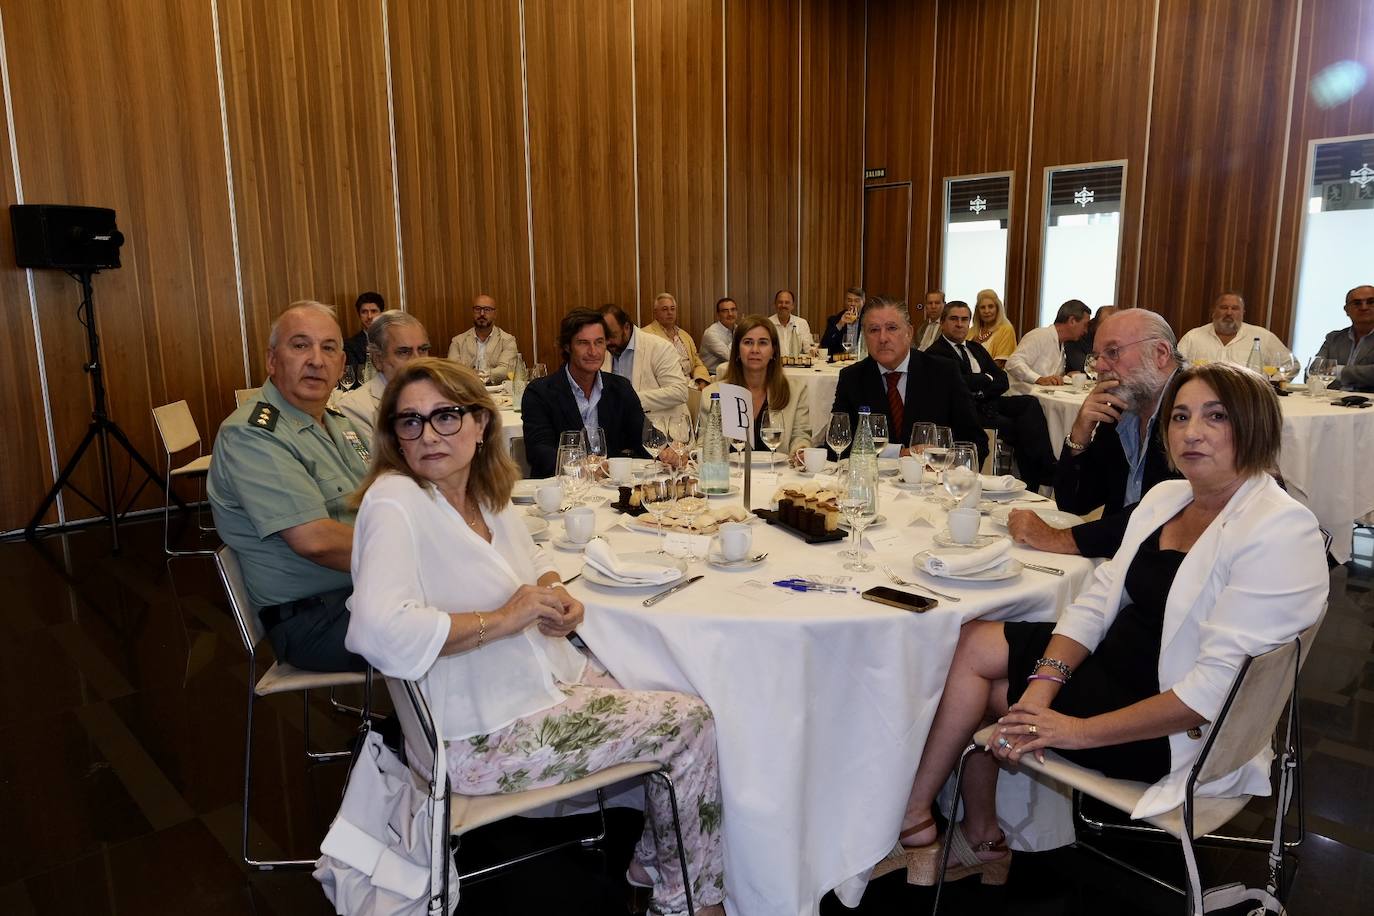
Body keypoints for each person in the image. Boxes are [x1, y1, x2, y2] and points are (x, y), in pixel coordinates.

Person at [876, 362, 1328, 886]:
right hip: (1118, 667)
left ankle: (946, 829)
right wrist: (1045, 689)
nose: (1191, 432)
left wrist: (1075, 731)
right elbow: (1096, 603)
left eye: (1216, 416)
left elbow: (1212, 694)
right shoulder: (1169, 498)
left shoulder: (1279, 527)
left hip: (1172, 723)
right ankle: (960, 830)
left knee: (985, 690)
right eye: (1179, 416)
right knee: (975, 640)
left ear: (1256, 427)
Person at [345, 358, 727, 916]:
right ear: (394, 436)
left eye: (445, 417)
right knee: (691, 724)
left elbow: (533, 557)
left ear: (480, 424)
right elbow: (378, 629)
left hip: (530, 684)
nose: (428, 435)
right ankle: (688, 900)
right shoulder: (394, 502)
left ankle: (659, 860)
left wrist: (552, 592)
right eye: (411, 422)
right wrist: (505, 618)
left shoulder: (479, 491)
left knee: (670, 678)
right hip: (477, 734)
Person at [208, 302, 368, 673]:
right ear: (271, 360)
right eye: (300, 346)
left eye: (329, 348)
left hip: (367, 595)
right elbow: (316, 541)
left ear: (342, 365)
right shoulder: (252, 434)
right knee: (475, 626)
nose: (316, 360)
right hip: (317, 617)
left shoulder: (339, 424)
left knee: (492, 597)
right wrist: (417, 551)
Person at [1010, 308, 1183, 558]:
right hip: (1117, 567)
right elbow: (1075, 503)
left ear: (1160, 353)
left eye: (1113, 352)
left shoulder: (1194, 413)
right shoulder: (1124, 405)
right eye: (1097, 355)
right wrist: (1080, 433)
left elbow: (1162, 515)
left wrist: (1058, 538)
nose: (1100, 366)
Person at [830, 296, 987, 464]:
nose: (883, 338)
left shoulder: (943, 373)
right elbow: (839, 443)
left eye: (891, 328)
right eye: (874, 330)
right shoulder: (852, 377)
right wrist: (899, 453)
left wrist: (943, 460)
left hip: (930, 482)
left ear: (909, 333)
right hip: (876, 484)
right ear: (865, 336)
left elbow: (976, 443)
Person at [926, 302, 1056, 490]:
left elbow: (1002, 380)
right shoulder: (936, 353)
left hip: (988, 402)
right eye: (954, 319)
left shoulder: (975, 348)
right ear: (943, 323)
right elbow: (959, 386)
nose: (960, 324)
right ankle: (1037, 479)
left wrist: (980, 385)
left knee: (1029, 403)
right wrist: (984, 379)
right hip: (967, 410)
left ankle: (1045, 467)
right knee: (1020, 428)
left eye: (964, 319)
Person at [522, 309, 654, 478]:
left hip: (610, 490)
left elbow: (642, 435)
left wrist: (666, 450)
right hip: (563, 492)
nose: (593, 352)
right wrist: (581, 469)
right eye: (583, 343)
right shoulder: (540, 393)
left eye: (599, 342)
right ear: (567, 346)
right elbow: (539, 451)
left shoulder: (620, 388)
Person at [700, 316, 812, 462]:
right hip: (731, 478)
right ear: (737, 350)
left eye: (763, 343)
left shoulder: (795, 390)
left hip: (778, 477)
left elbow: (801, 436)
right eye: (748, 342)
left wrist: (800, 451)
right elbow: (703, 444)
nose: (755, 350)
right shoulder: (713, 394)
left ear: (774, 351)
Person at [336, 310, 432, 447]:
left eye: (423, 350)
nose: (417, 361)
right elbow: (374, 466)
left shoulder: (441, 395)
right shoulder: (355, 408)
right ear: (378, 359)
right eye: (404, 352)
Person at [600, 304, 692, 428]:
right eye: (602, 338)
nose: (607, 342)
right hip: (617, 430)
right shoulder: (602, 349)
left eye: (612, 336)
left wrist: (629, 399)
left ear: (626, 327)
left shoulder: (659, 347)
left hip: (660, 431)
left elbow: (680, 392)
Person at [1177, 292, 1292, 367]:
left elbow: (1289, 365)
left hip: (1249, 399)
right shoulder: (1193, 337)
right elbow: (1175, 368)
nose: (1229, 313)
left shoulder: (1263, 337)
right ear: (1213, 311)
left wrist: (1271, 385)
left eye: (1235, 308)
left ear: (1243, 313)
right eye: (1224, 307)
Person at [1004, 299, 1091, 392]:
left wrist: (1065, 377)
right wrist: (1039, 379)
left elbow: (1049, 376)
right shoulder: (1040, 335)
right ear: (1072, 321)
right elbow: (1012, 363)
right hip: (1021, 399)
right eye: (1085, 325)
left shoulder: (1061, 343)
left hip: (1041, 398)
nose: (1086, 331)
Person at [1313, 283, 1374, 392]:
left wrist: (1336, 371)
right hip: (1332, 402)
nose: (1364, 307)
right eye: (1357, 303)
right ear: (1346, 310)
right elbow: (1313, 371)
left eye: (1371, 302)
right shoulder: (1333, 338)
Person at [642, 292, 711, 388]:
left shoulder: (684, 335)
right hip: (665, 388)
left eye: (672, 309)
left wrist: (702, 380)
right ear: (655, 313)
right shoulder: (646, 335)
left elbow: (697, 363)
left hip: (691, 385)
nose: (670, 312)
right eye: (665, 309)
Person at [447, 294, 521, 382]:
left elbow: (506, 370)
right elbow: (452, 369)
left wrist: (477, 375)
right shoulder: (457, 341)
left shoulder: (508, 340)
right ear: (473, 312)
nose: (482, 314)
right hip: (466, 390)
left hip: (497, 391)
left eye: (487, 310)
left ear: (495, 314)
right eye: (478, 309)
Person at [1064, 304, 1116, 374]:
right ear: (1095, 324)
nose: (1111, 330)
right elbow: (1086, 367)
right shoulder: (1078, 336)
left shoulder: (1118, 339)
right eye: (1106, 325)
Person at [970, 289, 1016, 365]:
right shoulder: (971, 331)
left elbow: (999, 364)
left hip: (992, 375)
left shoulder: (1006, 329)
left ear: (997, 309)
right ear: (978, 311)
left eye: (990, 307)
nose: (987, 311)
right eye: (982, 307)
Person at [344, 291, 384, 370]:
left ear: (381, 314)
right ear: (359, 315)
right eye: (364, 312)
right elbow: (355, 375)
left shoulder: (392, 339)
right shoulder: (350, 345)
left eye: (373, 311)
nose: (369, 316)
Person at [768, 289, 813, 357]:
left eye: (787, 302)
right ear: (775, 304)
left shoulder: (802, 323)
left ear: (792, 306)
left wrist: (812, 350)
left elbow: (808, 349)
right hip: (775, 365)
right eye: (780, 302)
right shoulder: (767, 323)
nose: (783, 305)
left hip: (797, 365)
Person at [820, 287, 866, 354]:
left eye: (856, 301)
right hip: (841, 361)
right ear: (845, 302)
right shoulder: (835, 319)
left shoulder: (869, 319)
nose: (852, 304)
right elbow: (824, 345)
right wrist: (840, 324)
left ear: (863, 302)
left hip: (862, 360)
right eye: (849, 300)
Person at [700, 297, 739, 375]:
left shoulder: (737, 328)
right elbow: (730, 356)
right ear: (718, 314)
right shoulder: (711, 333)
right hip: (711, 375)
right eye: (725, 311)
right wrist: (740, 335)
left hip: (731, 372)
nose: (730, 314)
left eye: (733, 309)